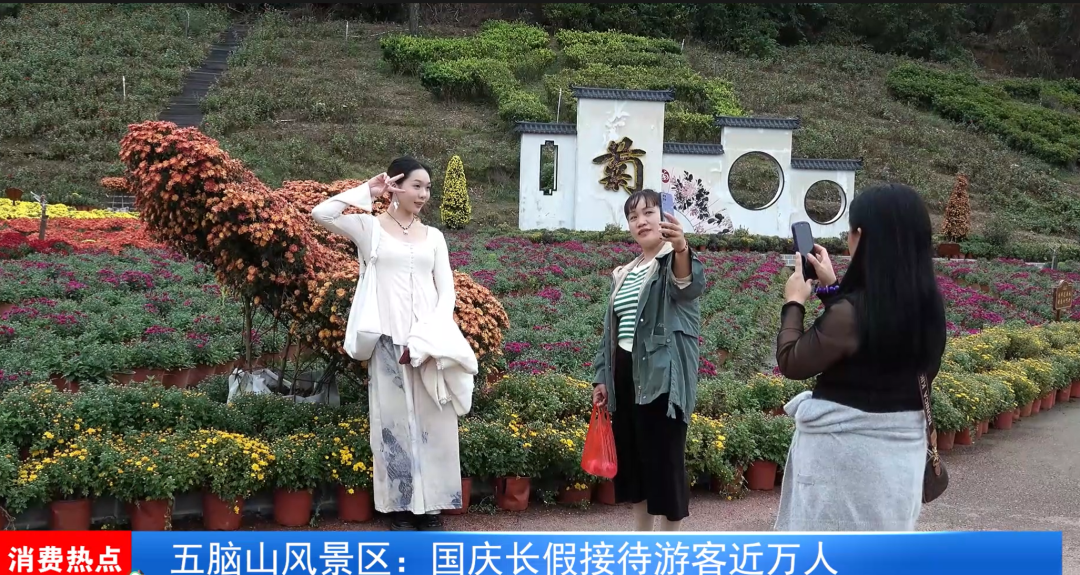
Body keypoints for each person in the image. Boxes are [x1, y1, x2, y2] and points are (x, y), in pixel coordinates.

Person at [774, 182, 947, 531]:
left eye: (850, 231)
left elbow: (792, 360)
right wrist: (832, 289)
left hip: (844, 467)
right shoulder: (927, 306)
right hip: (899, 466)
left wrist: (794, 301)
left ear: (862, 236)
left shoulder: (852, 314)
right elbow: (871, 343)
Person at [311, 156, 467, 531]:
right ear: (397, 186)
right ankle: (399, 507)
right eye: (417, 186)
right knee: (393, 424)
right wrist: (369, 189)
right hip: (386, 341)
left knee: (435, 422)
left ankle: (431, 507)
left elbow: (446, 291)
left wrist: (429, 336)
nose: (424, 194)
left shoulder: (434, 237)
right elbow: (321, 213)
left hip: (428, 344)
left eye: (428, 188)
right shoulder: (370, 229)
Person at [591, 189, 706, 532]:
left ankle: (667, 551)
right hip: (626, 375)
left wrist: (681, 246)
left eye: (648, 213)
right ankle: (642, 542)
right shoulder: (626, 272)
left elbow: (687, 285)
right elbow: (612, 332)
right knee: (636, 465)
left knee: (664, 466)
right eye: (633, 216)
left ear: (664, 217)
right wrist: (602, 376)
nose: (641, 221)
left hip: (662, 376)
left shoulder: (672, 260)